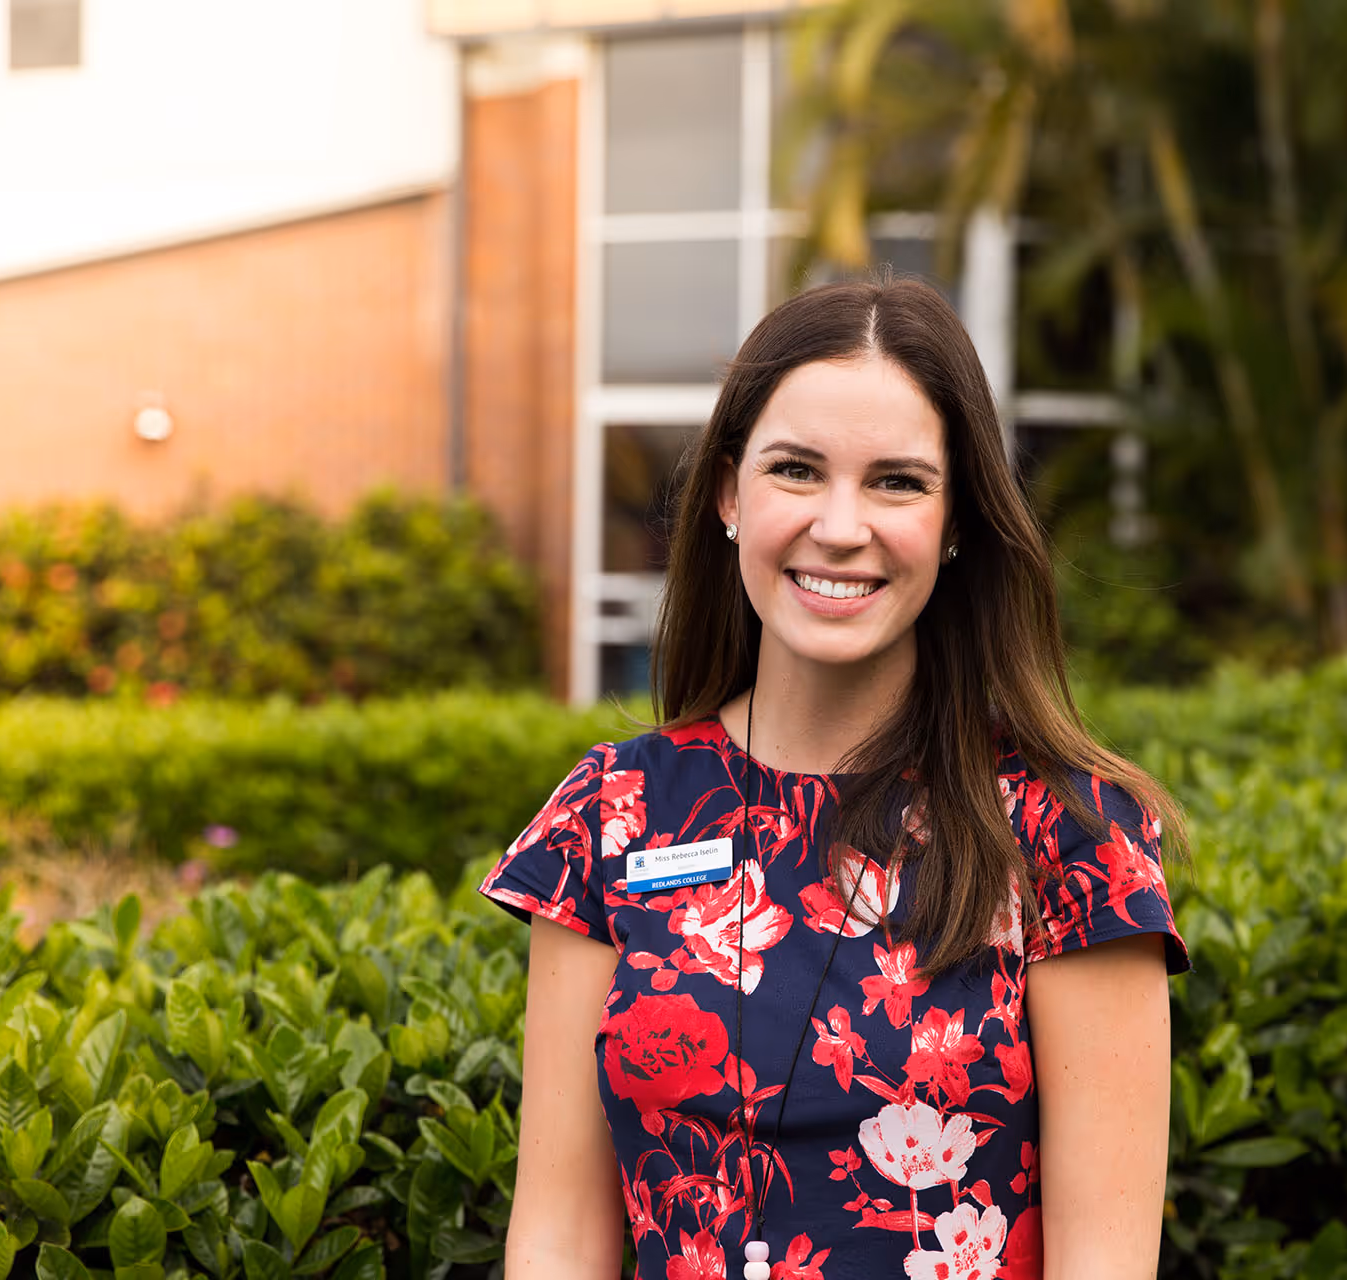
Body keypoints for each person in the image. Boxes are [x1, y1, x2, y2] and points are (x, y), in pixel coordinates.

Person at [481, 277, 1190, 1280]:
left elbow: (1106, 1265)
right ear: (730, 494)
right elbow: (555, 1239)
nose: (842, 524)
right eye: (797, 470)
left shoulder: (1068, 832)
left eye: (897, 481)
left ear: (956, 521)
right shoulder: (611, 816)